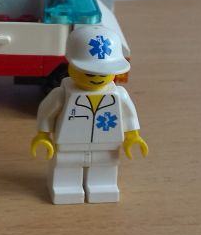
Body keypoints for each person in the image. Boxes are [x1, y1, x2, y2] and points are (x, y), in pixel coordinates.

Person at [30, 25, 148, 204]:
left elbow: (129, 116)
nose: (97, 77)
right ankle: (65, 188)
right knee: (66, 166)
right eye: (89, 72)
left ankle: (103, 187)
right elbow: (47, 112)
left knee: (106, 166)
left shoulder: (119, 95)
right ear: (71, 65)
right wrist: (43, 135)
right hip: (69, 144)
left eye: (103, 72)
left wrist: (133, 136)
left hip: (107, 144)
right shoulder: (62, 94)